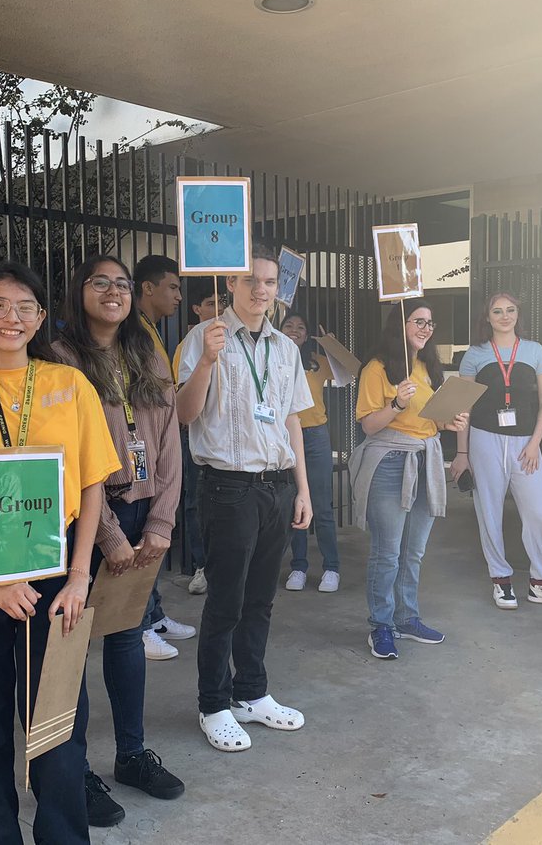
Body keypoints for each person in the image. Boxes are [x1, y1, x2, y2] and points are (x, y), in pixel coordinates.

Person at [0, 261, 119, 844]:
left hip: (58, 569)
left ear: (40, 319)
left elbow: (92, 484)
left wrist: (82, 573)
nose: (12, 317)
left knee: (57, 723)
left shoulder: (70, 384)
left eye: (25, 308)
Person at [52, 256, 185, 828]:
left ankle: (131, 754)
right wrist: (105, 535)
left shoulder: (147, 350)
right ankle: (72, 772)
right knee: (73, 647)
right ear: (79, 291)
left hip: (141, 518)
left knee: (128, 640)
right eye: (100, 281)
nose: (113, 291)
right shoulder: (59, 357)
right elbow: (66, 455)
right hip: (84, 524)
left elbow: (170, 440)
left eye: (123, 284)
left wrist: (161, 523)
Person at [176, 246, 313, 753]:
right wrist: (208, 361)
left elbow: (292, 418)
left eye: (270, 282)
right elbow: (184, 414)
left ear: (279, 291)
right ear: (230, 285)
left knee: (261, 599)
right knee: (226, 601)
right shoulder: (202, 338)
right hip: (228, 488)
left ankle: (250, 693)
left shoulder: (286, 348)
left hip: (276, 486)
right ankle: (213, 703)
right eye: (251, 279)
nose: (260, 289)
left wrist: (303, 489)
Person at [351, 299, 468, 660]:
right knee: (387, 553)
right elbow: (369, 425)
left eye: (429, 324)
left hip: (425, 457)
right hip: (390, 461)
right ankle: (382, 624)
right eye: (418, 321)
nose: (425, 328)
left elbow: (427, 420)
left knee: (412, 552)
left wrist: (448, 424)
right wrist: (397, 404)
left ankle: (407, 617)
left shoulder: (430, 367)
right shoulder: (378, 368)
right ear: (399, 325)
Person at [452, 293, 542, 611]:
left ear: (518, 314)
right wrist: (462, 452)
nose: (504, 316)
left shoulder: (535, 351)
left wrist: (535, 442)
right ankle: (501, 580)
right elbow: (463, 406)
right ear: (488, 317)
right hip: (483, 438)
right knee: (489, 512)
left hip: (525, 441)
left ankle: (541, 582)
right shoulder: (475, 354)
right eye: (497, 311)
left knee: (540, 514)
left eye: (510, 310)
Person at [131, 253, 196, 654]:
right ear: (148, 288)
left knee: (155, 533)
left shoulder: (150, 329)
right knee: (142, 536)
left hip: (159, 447)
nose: (177, 295)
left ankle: (153, 614)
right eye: (172, 286)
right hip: (141, 448)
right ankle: (137, 624)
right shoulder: (132, 332)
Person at [279, 311, 341, 594]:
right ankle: (299, 566)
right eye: (288, 325)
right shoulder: (274, 359)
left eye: (300, 327)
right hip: (285, 435)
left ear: (306, 335)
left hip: (315, 436)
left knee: (322, 505)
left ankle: (331, 567)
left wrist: (330, 344)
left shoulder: (318, 362)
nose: (294, 330)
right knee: (295, 504)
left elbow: (350, 372)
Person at [172, 277, 224, 598]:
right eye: (211, 304)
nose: (219, 309)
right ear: (196, 309)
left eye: (223, 303)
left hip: (233, 445)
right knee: (195, 501)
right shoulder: (192, 340)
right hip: (199, 437)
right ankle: (202, 565)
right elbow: (182, 398)